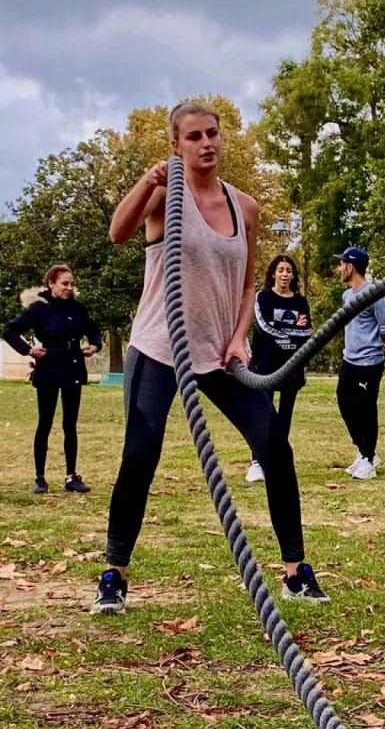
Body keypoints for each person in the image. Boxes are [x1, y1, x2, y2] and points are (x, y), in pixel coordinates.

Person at [97, 100, 329, 616]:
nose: (206, 144)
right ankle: (114, 573)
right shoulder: (164, 196)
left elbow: (247, 285)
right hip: (159, 346)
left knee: (275, 449)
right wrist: (146, 180)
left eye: (213, 134)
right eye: (194, 136)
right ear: (176, 145)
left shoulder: (244, 206)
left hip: (219, 357)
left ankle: (295, 572)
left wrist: (238, 337)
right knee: (140, 453)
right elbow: (117, 233)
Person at [2, 265, 101, 494]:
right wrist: (28, 350)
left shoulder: (77, 308)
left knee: (70, 424)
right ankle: (40, 477)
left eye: (71, 284)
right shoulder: (39, 309)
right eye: (64, 283)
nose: (69, 288)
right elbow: (9, 331)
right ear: (51, 284)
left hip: (73, 367)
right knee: (44, 423)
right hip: (49, 367)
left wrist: (95, 345)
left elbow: (93, 329)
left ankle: (71, 476)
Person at [246, 254, 312, 483]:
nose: (285, 274)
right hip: (265, 365)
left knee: (285, 415)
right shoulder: (262, 298)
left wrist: (282, 330)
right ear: (273, 273)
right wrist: (291, 330)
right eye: (281, 270)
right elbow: (264, 327)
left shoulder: (300, 302)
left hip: (292, 366)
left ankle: (279, 460)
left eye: (289, 270)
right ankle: (257, 460)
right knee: (264, 412)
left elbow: (307, 331)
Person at [335, 246, 385, 479]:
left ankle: (368, 460)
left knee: (366, 408)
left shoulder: (374, 293)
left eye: (341, 264)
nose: (339, 269)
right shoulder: (347, 296)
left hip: (369, 362)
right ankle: (362, 450)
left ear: (350, 267)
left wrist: (376, 341)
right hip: (349, 358)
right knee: (344, 401)